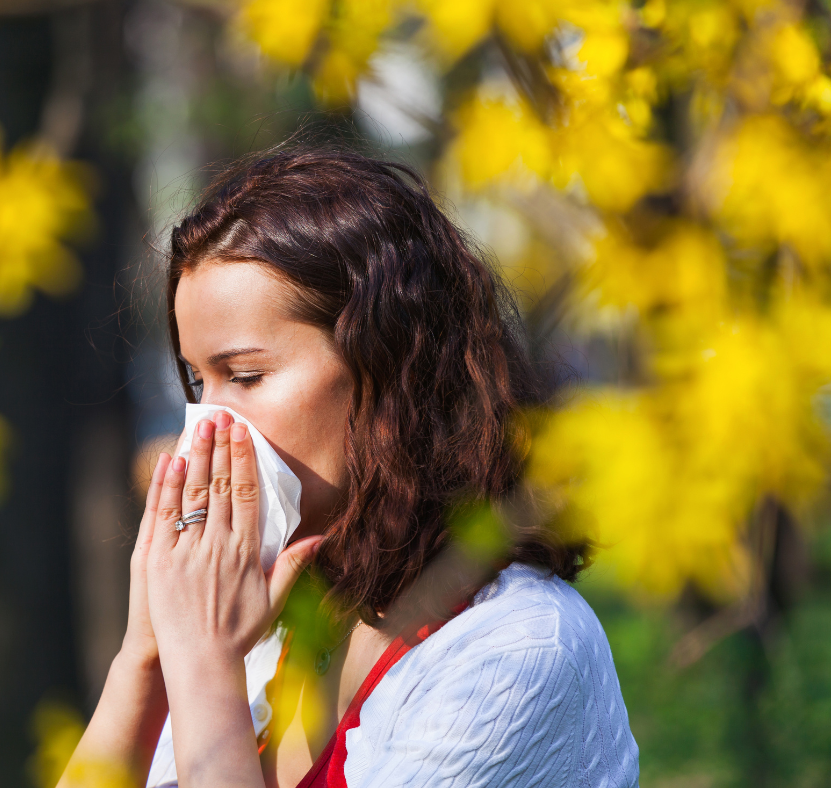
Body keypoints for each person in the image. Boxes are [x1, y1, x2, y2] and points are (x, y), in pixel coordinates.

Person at [58, 146, 640, 788]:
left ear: (389, 368)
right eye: (199, 383)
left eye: (246, 376)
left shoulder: (515, 650)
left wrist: (202, 664)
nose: (207, 431)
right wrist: (147, 655)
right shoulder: (268, 623)